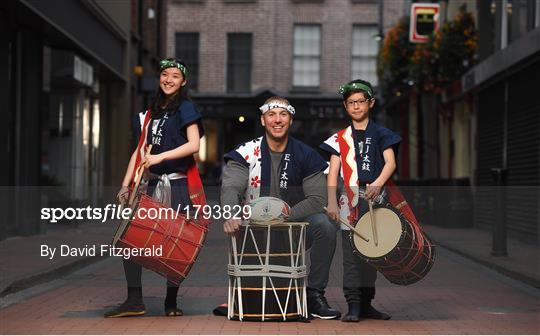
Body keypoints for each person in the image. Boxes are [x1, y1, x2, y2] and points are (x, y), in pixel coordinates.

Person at [221, 96, 341, 320]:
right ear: (263, 120)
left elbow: (317, 199)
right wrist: (231, 214)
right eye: (272, 115)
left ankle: (314, 294)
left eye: (283, 115)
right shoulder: (245, 152)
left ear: (291, 120)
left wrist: (281, 216)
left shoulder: (306, 155)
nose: (277, 120)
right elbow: (231, 187)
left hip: (292, 227)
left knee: (325, 225)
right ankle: (244, 293)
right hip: (254, 230)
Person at [105, 57, 206, 318]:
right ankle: (134, 299)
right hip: (152, 184)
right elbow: (139, 151)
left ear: (183, 81)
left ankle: (170, 301)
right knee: (132, 238)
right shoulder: (150, 112)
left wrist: (160, 158)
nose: (169, 79)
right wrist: (126, 185)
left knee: (175, 242)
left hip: (179, 184)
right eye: (165, 74)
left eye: (175, 75)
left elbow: (194, 145)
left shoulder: (186, 108)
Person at [320, 79, 399, 322]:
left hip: (376, 198)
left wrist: (377, 183)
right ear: (346, 106)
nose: (356, 106)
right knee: (351, 255)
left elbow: (390, 163)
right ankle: (353, 304)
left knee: (373, 254)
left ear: (371, 103)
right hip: (349, 201)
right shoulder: (340, 138)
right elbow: (333, 172)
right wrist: (332, 202)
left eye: (360, 101)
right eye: (351, 102)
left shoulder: (382, 133)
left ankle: (367, 304)